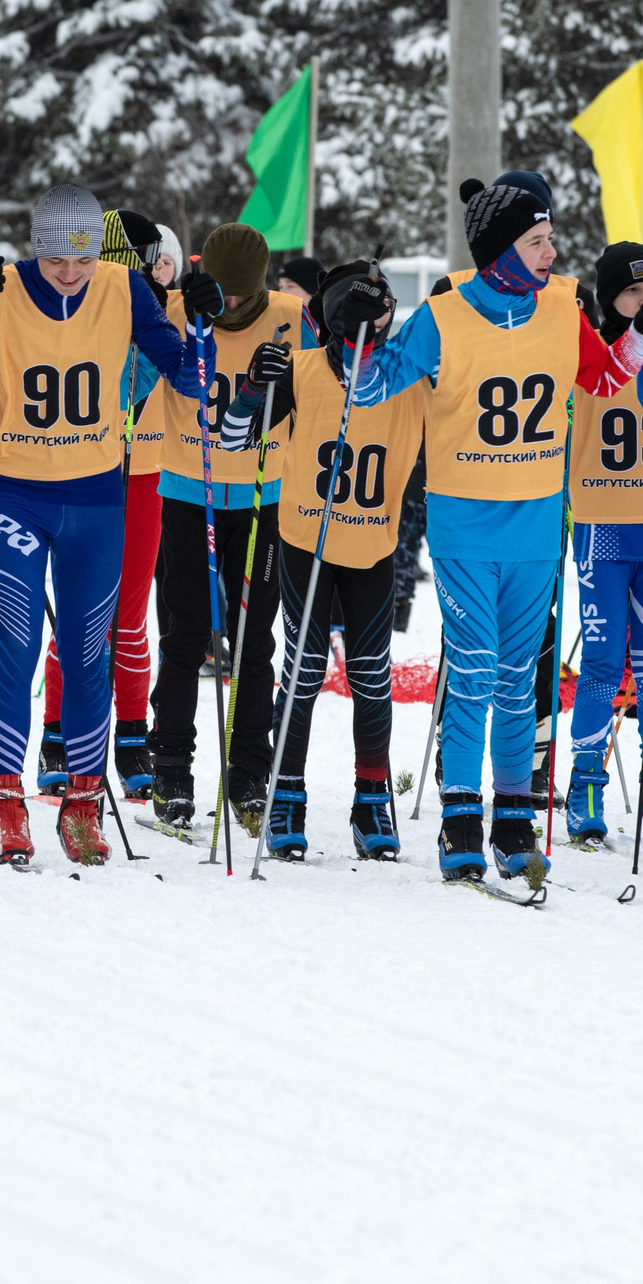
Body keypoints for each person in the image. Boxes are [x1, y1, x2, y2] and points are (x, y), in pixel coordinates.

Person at [343, 180, 643, 889]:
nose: (552, 252)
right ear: (499, 253)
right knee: (479, 668)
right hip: (464, 521)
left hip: (537, 522)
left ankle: (513, 819)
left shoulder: (560, 310)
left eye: (550, 239)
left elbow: (607, 380)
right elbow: (369, 388)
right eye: (536, 242)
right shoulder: (444, 313)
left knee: (522, 678)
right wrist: (352, 331)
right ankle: (461, 816)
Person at [0, 183, 218, 865]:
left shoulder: (126, 288)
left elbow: (192, 379)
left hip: (97, 499)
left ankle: (82, 804)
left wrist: (202, 324)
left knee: (85, 653)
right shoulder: (0, 290)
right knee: (17, 647)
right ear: (36, 250)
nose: (71, 273)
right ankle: (6, 802)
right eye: (56, 261)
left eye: (82, 259)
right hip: (13, 495)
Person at [223, 259, 423, 858]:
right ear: (336, 323)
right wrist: (256, 386)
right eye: (364, 315)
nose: (376, 327)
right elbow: (234, 438)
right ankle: (286, 793)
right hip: (307, 539)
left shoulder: (408, 377)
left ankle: (371, 799)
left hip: (371, 545)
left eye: (384, 312)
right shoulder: (306, 369)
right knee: (304, 670)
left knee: (370, 674)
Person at [146, 222, 306, 834]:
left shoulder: (292, 316)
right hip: (188, 489)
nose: (233, 305)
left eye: (245, 295)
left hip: (265, 496)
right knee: (184, 634)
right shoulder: (178, 308)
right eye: (224, 293)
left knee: (255, 640)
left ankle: (247, 773)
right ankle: (171, 766)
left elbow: (337, 374)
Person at [553, 244, 643, 850]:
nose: (639, 306)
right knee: (605, 661)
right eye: (629, 294)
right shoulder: (591, 355)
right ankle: (585, 779)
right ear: (609, 297)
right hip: (602, 525)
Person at [38, 209, 169, 798]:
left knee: (130, 614)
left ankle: (132, 732)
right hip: (77, 473)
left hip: (141, 473)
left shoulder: (166, 309)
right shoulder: (72, 308)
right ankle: (58, 733)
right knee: (74, 615)